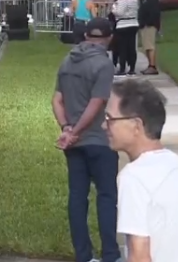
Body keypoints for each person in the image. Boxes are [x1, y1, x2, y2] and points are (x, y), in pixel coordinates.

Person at [107, 79, 178, 262]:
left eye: (109, 119)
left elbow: (139, 257)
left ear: (136, 125)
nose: (105, 126)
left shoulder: (134, 177)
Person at [51, 18, 121, 262]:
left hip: (74, 144)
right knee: (107, 197)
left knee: (77, 198)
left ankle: (84, 256)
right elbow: (97, 102)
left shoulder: (68, 60)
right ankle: (110, 254)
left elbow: (56, 100)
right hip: (99, 140)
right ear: (109, 37)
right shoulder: (103, 65)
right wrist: (78, 131)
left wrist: (67, 128)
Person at [112, 0, 140, 76]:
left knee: (122, 48)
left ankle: (122, 68)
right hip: (133, 24)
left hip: (123, 24)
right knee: (131, 47)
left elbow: (119, 12)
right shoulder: (134, 0)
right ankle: (132, 68)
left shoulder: (123, 0)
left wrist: (114, 8)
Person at [138, 0, 161, 75]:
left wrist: (148, 22)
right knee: (146, 47)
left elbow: (154, 12)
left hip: (149, 25)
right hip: (144, 25)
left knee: (150, 46)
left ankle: (152, 66)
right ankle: (149, 65)